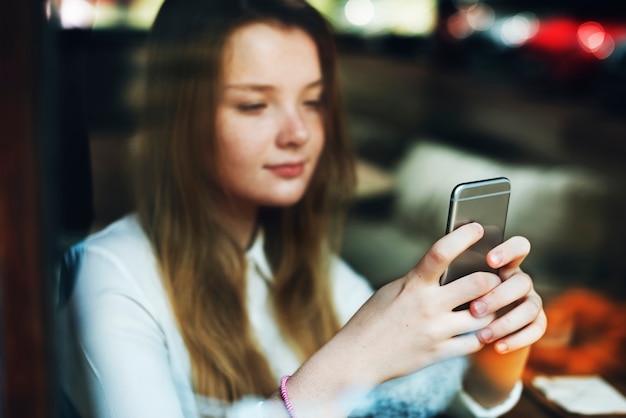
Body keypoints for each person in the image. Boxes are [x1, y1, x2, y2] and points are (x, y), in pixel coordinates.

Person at [56, 0, 547, 417]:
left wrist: (503, 342)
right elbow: (362, 363)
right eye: (254, 105)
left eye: (312, 102)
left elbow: (440, 402)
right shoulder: (107, 278)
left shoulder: (304, 264)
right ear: (181, 118)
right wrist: (353, 360)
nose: (298, 134)